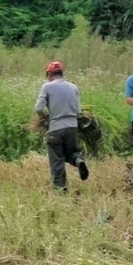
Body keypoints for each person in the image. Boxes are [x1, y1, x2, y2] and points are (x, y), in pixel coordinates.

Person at [34, 61, 90, 191]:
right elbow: (78, 112)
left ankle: (61, 190)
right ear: (61, 73)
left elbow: (38, 108)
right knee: (72, 152)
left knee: (57, 160)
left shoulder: (47, 87)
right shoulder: (73, 87)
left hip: (55, 128)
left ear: (49, 74)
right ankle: (78, 161)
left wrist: (46, 117)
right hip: (72, 127)